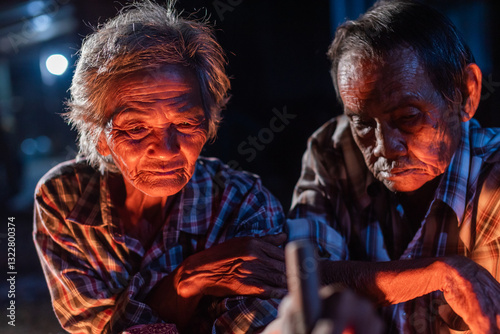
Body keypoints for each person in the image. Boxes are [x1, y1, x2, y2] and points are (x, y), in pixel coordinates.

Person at [32, 1, 287, 333]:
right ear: (99, 136)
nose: (166, 151)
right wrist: (190, 278)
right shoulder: (64, 199)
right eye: (136, 129)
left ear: (208, 125)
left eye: (185, 124)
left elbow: (252, 324)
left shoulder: (242, 202)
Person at [287, 0, 500, 333]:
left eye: (408, 117)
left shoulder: (494, 180)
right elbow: (303, 279)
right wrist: (441, 272)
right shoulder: (333, 149)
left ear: (465, 94)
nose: (386, 147)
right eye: (362, 123)